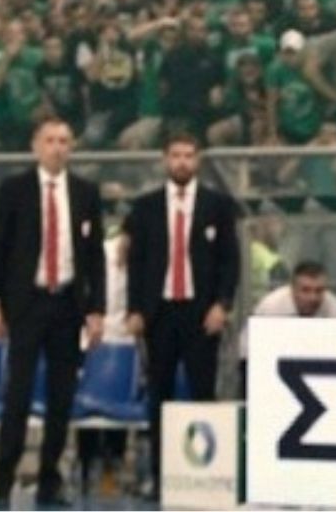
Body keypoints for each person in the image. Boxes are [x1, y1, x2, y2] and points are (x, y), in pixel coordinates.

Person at [0, 117, 106, 510]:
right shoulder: (14, 189)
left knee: (61, 396)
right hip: (27, 303)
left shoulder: (85, 192)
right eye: (50, 140)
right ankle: (3, 482)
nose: (57, 148)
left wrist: (96, 308)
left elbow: (95, 255)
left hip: (67, 303)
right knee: (18, 394)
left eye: (64, 141)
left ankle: (50, 480)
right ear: (36, 145)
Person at [121, 132, 240, 498]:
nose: (182, 162)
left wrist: (222, 304)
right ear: (165, 159)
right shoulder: (146, 207)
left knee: (203, 391)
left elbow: (229, 260)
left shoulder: (218, 205)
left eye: (189, 155)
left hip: (200, 313)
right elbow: (137, 264)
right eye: (176, 155)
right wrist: (135, 310)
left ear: (198, 159)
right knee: (160, 395)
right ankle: (161, 478)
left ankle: (204, 477)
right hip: (159, 313)